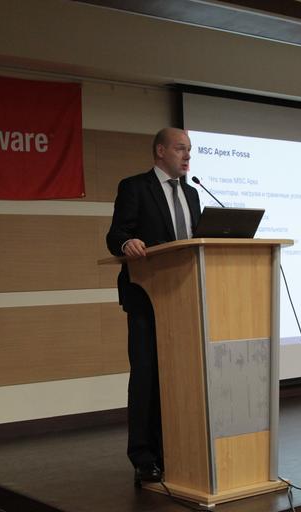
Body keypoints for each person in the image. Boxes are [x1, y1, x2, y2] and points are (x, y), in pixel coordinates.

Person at [106, 127, 201, 486]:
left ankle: (175, 448)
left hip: (186, 299)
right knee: (147, 376)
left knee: (181, 376)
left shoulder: (192, 194)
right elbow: (115, 234)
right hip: (147, 298)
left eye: (189, 150)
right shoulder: (135, 187)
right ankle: (144, 457)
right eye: (180, 149)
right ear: (160, 151)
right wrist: (127, 242)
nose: (187, 156)